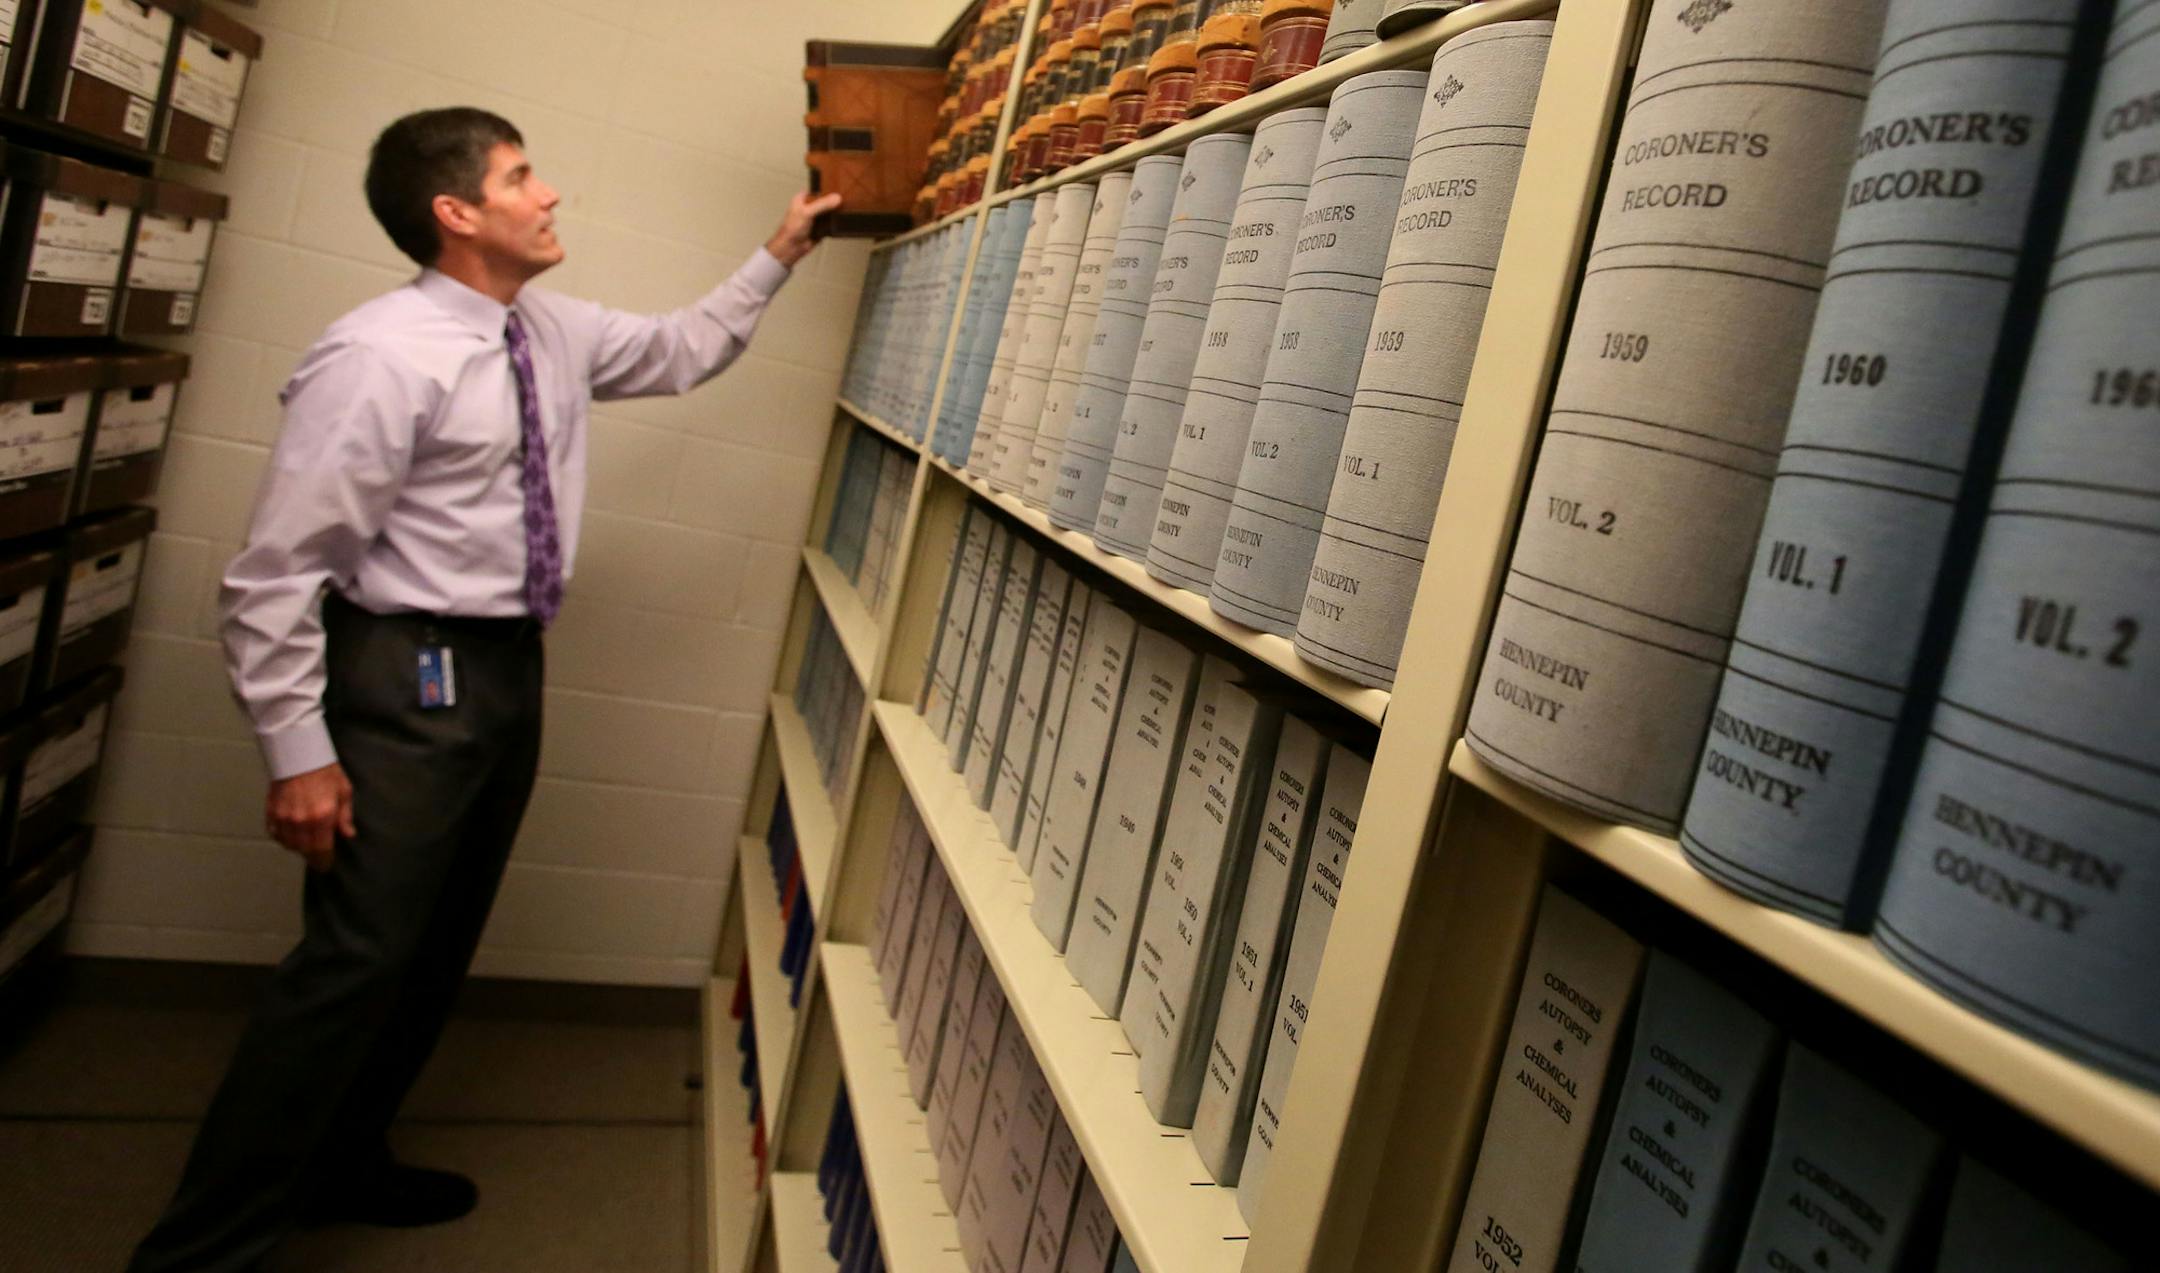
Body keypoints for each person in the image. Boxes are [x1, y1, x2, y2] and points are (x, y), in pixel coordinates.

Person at [129, 106, 842, 1273]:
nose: (549, 193)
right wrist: (298, 752)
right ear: (457, 213)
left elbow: (678, 350)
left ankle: (344, 1161)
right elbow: (273, 574)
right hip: (403, 668)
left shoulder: (542, 330)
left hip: (505, 668)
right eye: (522, 176)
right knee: (353, 965)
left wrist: (784, 247)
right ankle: (200, 1253)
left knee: (432, 944)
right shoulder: (379, 356)